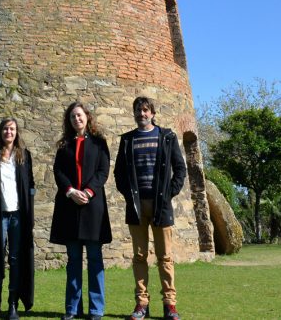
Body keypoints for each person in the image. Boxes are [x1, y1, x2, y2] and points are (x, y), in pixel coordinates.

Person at [114, 97, 187, 320]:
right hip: (137, 206)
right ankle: (141, 304)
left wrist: (168, 194)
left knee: (165, 257)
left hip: (160, 206)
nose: (142, 114)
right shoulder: (127, 140)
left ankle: (170, 305)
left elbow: (180, 169)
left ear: (153, 113)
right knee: (139, 256)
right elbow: (119, 173)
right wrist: (129, 196)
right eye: (138, 110)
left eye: (145, 110)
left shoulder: (166, 137)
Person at [49, 102, 112, 320]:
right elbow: (58, 171)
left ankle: (96, 309)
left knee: (95, 260)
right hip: (70, 208)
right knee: (73, 261)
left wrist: (88, 191)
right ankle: (73, 308)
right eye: (73, 116)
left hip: (92, 208)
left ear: (87, 116)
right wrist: (70, 191)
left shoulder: (99, 143)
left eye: (80, 115)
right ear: (69, 121)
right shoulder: (64, 145)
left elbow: (103, 171)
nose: (77, 119)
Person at [0, 118, 36, 320]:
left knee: (15, 259)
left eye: (12, 129)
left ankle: (13, 304)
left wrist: (31, 214)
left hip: (18, 216)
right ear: (0, 131)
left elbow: (30, 186)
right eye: (5, 128)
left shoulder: (24, 156)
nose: (8, 132)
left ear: (16, 132)